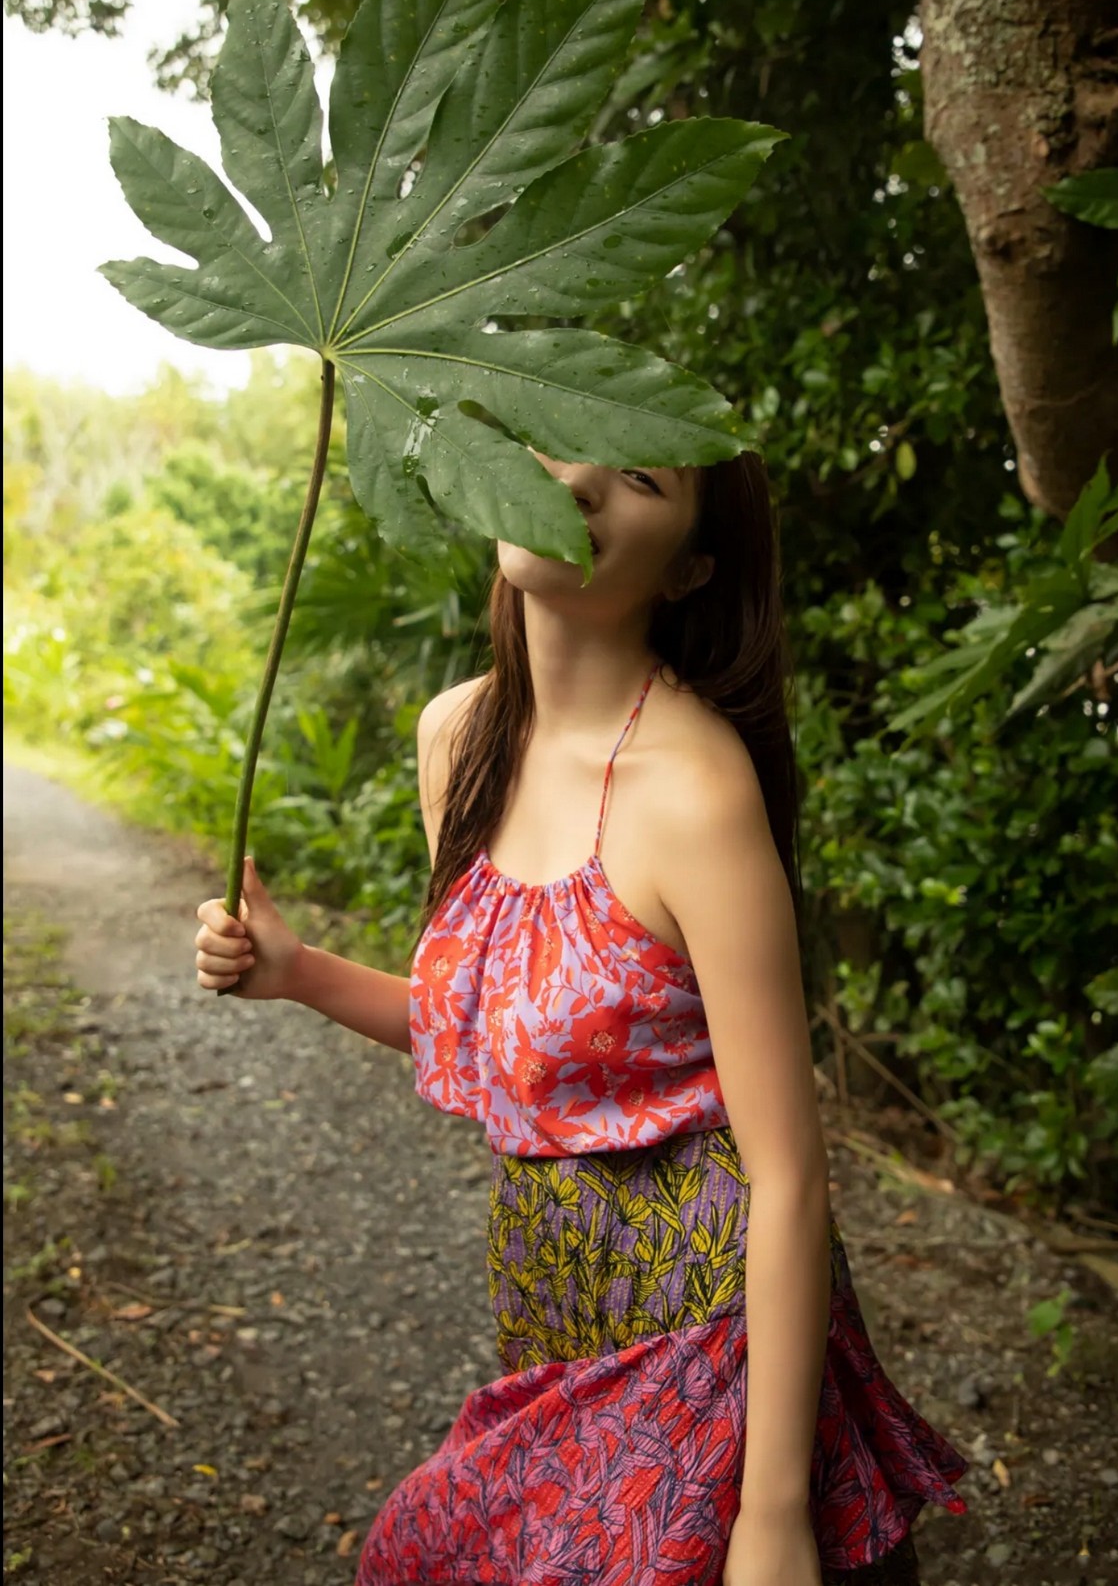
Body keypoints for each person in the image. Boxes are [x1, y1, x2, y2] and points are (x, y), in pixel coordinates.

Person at [195, 451, 969, 1585]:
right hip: (555, 1325)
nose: (577, 485)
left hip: (708, 1329)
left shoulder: (693, 789)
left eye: (639, 477)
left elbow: (791, 1173)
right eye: (558, 447)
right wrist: (298, 970)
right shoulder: (456, 738)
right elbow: (519, 1039)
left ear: (691, 567)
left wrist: (770, 1516)